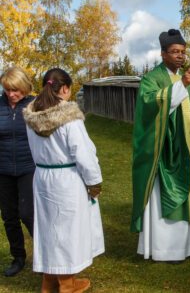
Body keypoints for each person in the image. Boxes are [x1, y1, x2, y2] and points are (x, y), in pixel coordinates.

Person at [131, 29, 190, 262]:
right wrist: (180, 87)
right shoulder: (152, 78)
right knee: (168, 194)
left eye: (183, 52)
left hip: (186, 143)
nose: (180, 56)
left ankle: (187, 246)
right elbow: (150, 105)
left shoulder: (184, 78)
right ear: (163, 54)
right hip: (165, 148)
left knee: (189, 196)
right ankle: (166, 249)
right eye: (174, 52)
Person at [23, 68, 104, 292]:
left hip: (42, 177)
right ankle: (66, 285)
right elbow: (83, 154)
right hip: (66, 179)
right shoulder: (70, 118)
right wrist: (94, 182)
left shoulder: (32, 116)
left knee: (49, 230)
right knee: (68, 231)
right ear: (65, 89)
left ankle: (49, 282)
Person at [0, 66, 35, 277]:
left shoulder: (34, 105)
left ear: (24, 87)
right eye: (7, 90)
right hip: (3, 170)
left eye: (16, 90)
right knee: (9, 216)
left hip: (29, 168)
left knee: (28, 214)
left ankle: (44, 253)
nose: (11, 94)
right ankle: (18, 257)